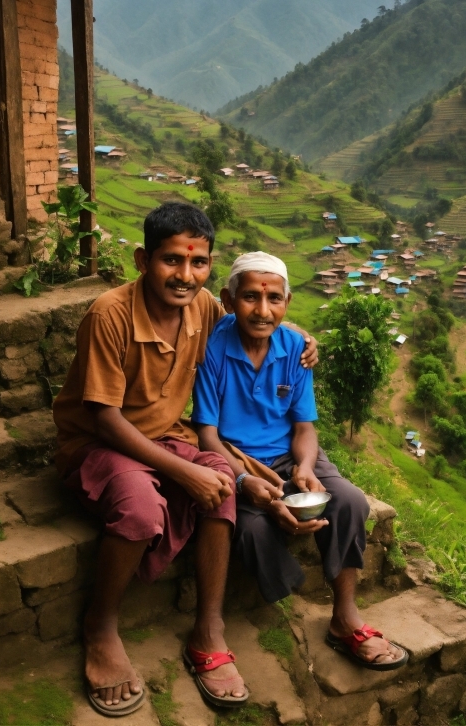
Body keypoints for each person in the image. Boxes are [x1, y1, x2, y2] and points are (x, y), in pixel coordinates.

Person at [53, 204, 317, 716]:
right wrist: (183, 471)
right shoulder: (110, 314)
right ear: (142, 259)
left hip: (166, 435)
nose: (184, 275)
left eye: (198, 264)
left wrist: (304, 337)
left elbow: (258, 317)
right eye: (171, 261)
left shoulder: (202, 309)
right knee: (141, 509)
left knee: (222, 479)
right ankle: (101, 627)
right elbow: (105, 418)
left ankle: (208, 629)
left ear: (209, 268)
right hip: (101, 442)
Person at [191, 252, 409, 672]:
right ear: (229, 298)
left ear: (287, 302)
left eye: (275, 299)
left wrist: (305, 468)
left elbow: (304, 428)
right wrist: (241, 479)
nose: (263, 310)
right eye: (251, 297)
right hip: (237, 457)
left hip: (292, 453)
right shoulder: (214, 348)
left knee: (349, 500)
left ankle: (345, 617)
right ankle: (286, 591)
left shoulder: (295, 347)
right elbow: (207, 435)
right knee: (253, 528)